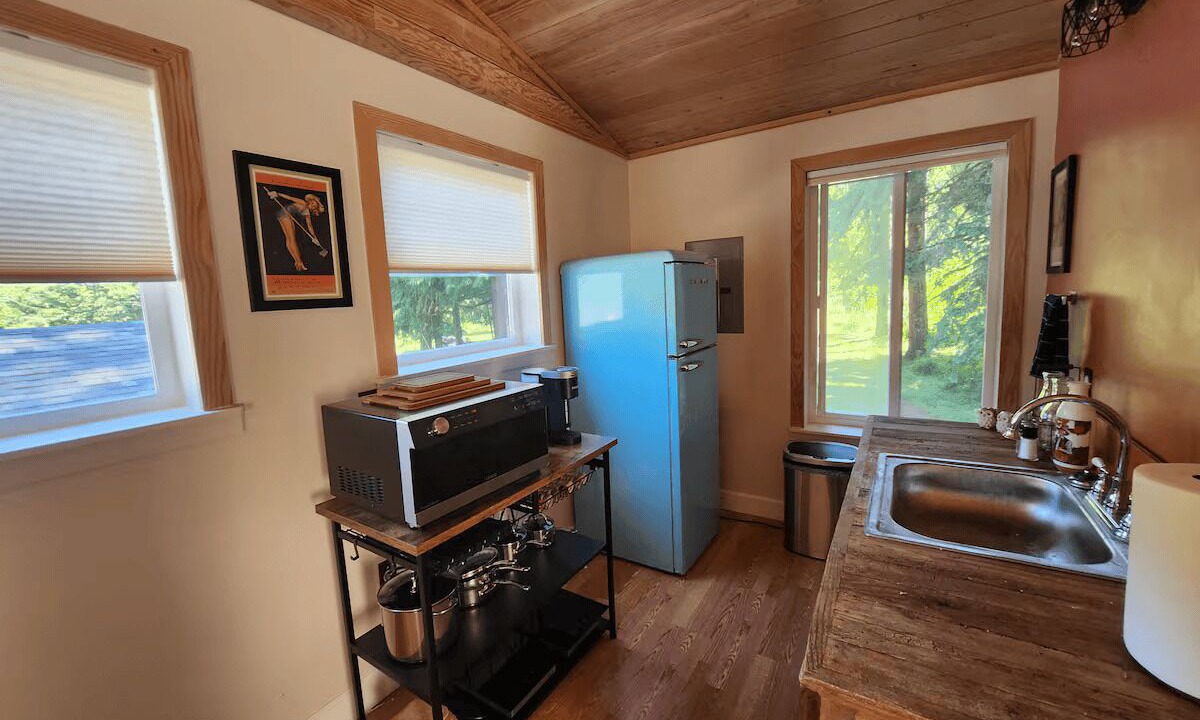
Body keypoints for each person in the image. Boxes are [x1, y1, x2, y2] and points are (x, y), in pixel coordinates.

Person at [268, 189, 325, 271]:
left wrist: (314, 238)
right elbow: (290, 198)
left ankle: (296, 261)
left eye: (314, 206)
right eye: (312, 203)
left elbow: (310, 226)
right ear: (310, 201)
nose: (312, 206)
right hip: (285, 214)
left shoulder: (307, 213)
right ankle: (299, 262)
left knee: (289, 239)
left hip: (283, 215)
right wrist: (277, 194)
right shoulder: (303, 203)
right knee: (292, 239)